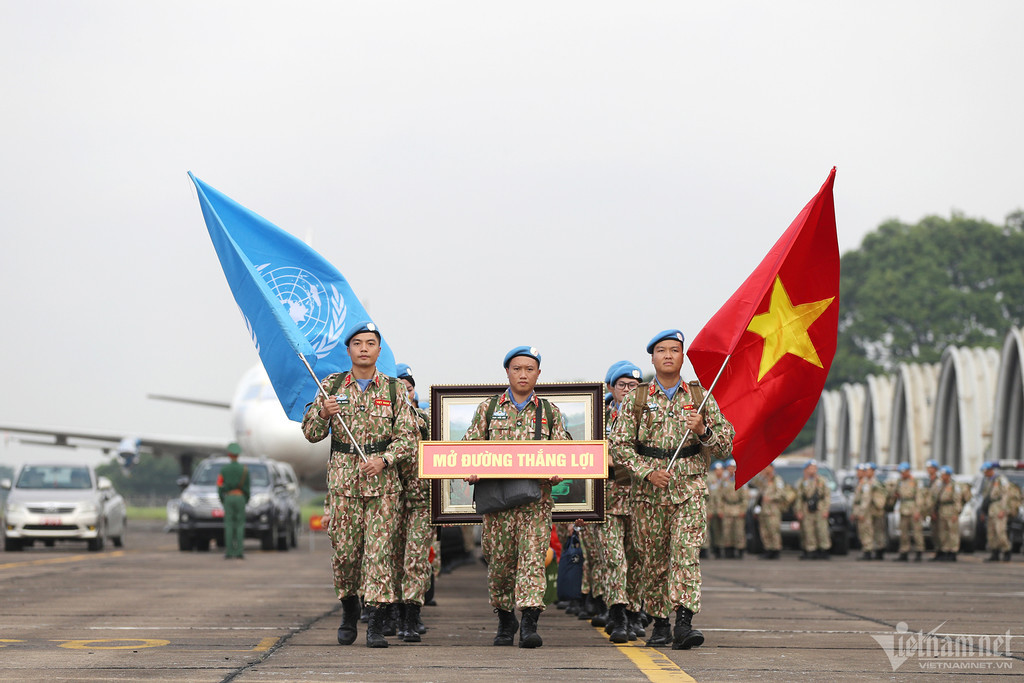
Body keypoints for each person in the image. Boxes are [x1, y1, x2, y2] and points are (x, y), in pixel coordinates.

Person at [609, 329, 734, 651]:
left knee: (686, 556)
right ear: (652, 357)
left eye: (674, 350)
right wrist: (647, 472)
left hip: (689, 489)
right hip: (648, 494)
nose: (668, 355)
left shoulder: (699, 397)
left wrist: (703, 430)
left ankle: (684, 621)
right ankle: (661, 623)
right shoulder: (638, 398)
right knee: (653, 562)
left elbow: (724, 444)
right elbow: (620, 446)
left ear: (682, 356)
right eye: (661, 350)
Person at [301, 322, 419, 648]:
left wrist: (385, 459)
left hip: (383, 486)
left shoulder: (394, 390)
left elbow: (409, 439)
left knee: (380, 555)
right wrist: (323, 413)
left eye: (370, 343)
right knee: (346, 556)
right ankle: (349, 609)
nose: (364, 348)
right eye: (357, 343)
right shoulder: (330, 386)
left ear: (379, 351)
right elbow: (311, 433)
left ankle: (377, 624)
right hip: (343, 486)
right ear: (349, 350)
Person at [462, 346, 571, 649]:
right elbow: (469, 445)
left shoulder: (549, 411)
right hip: (497, 504)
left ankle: (530, 623)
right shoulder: (488, 408)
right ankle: (504, 617)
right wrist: (470, 468)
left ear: (538, 373)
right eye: (517, 368)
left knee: (533, 561)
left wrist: (558, 470)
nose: (523, 374)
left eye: (529, 369)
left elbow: (565, 451)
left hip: (535, 501)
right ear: (507, 372)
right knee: (499, 563)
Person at [591, 360, 644, 643]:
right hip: (607, 500)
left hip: (639, 499)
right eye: (622, 385)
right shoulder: (598, 417)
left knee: (637, 561)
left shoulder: (646, 414)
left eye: (634, 386)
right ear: (611, 387)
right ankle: (618, 614)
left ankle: (635, 614)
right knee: (614, 561)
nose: (628, 390)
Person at [392, 363, 433, 641]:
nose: (405, 392)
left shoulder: (424, 420)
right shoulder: (380, 420)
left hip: (420, 501)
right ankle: (391, 613)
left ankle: (411, 616)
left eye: (408, 388)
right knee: (391, 559)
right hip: (388, 501)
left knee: (415, 560)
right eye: (399, 388)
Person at [216, 442, 249, 560]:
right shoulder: (244, 470)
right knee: (240, 525)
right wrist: (245, 500)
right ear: (238, 455)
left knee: (229, 525)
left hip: (228, 498)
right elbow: (247, 488)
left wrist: (222, 499)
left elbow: (219, 486)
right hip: (240, 497)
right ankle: (239, 552)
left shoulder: (224, 470)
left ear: (229, 454)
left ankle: (229, 552)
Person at [930, 466, 970, 561]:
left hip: (951, 510)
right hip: (941, 510)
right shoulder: (940, 485)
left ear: (948, 475)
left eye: (944, 475)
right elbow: (934, 498)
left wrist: (956, 513)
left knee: (952, 532)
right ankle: (944, 550)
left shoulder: (954, 486)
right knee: (942, 533)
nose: (942, 477)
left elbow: (957, 500)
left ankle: (953, 551)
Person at [980, 462, 1017, 562]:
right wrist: (983, 511)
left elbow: (1006, 495)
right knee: (991, 533)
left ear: (991, 470)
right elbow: (985, 497)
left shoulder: (1001, 480)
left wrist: (1003, 510)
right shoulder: (988, 481)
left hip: (999, 508)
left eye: (986, 471)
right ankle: (994, 553)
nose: (985, 474)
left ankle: (1006, 551)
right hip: (991, 509)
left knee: (1000, 531)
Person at [795, 459, 831, 559]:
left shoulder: (822, 481)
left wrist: (826, 509)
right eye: (810, 468)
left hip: (820, 509)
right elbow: (799, 498)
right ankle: (811, 550)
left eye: (814, 468)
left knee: (822, 530)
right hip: (806, 509)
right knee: (808, 530)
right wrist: (799, 511)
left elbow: (827, 496)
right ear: (805, 470)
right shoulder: (802, 482)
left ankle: (824, 550)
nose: (812, 471)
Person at [891, 462, 925, 561]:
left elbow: (919, 497)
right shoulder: (900, 481)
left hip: (913, 508)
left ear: (908, 471)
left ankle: (919, 551)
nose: (902, 474)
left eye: (903, 472)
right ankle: (904, 551)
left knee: (917, 532)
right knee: (904, 532)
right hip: (903, 508)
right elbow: (895, 493)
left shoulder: (915, 481)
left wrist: (918, 511)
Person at [754, 463, 787, 559]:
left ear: (772, 468)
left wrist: (771, 498)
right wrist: (761, 474)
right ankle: (768, 549)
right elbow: (754, 483)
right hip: (763, 511)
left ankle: (775, 550)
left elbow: (781, 494)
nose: (765, 469)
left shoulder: (777, 480)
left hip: (773, 511)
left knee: (773, 531)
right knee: (764, 531)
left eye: (767, 467)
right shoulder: (764, 480)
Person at [717, 459, 747, 559]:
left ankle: (740, 551)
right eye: (729, 468)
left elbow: (745, 497)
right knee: (727, 531)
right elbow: (720, 497)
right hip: (727, 507)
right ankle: (728, 551)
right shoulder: (723, 481)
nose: (731, 470)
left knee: (739, 531)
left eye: (733, 468)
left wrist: (743, 509)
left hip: (737, 507)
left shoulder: (741, 479)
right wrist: (720, 509)